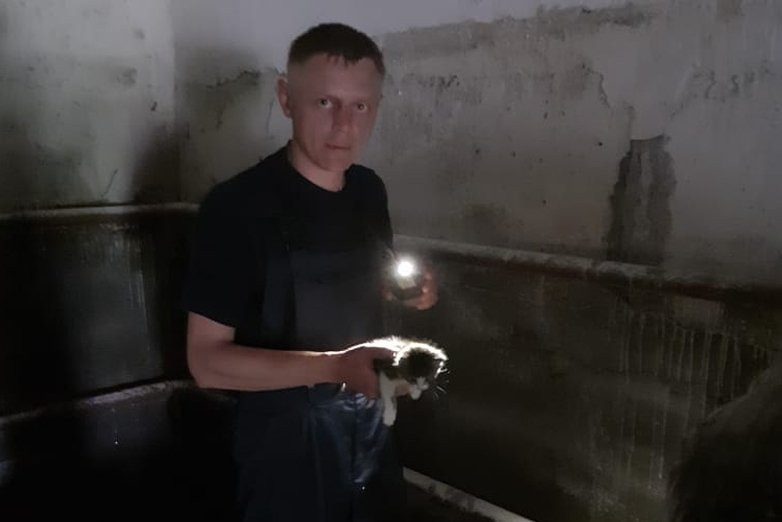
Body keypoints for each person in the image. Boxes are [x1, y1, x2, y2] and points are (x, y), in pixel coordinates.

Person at [183, 22, 437, 522]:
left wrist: (406, 290)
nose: (344, 125)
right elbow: (206, 361)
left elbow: (371, 280)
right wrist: (333, 367)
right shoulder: (236, 207)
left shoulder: (368, 191)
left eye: (360, 106)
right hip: (283, 440)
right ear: (286, 98)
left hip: (369, 420)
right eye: (325, 102)